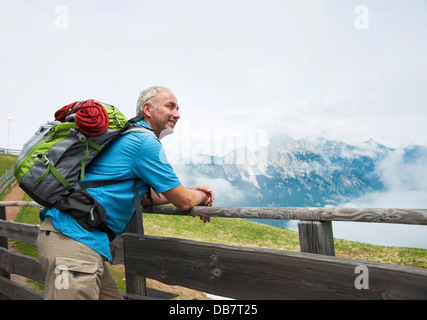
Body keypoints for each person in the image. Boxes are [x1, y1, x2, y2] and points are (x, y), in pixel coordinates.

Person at [37, 86, 215, 300]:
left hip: (79, 243)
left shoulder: (129, 136)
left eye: (178, 108)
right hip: (73, 246)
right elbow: (185, 202)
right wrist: (203, 197)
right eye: (170, 106)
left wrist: (188, 190)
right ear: (147, 109)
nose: (177, 113)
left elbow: (139, 196)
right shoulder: (144, 142)